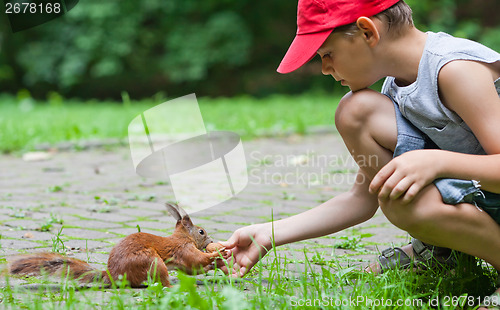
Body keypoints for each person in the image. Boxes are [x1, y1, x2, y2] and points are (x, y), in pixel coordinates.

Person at [220, 0, 500, 303]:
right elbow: (362, 199)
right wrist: (269, 233)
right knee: (356, 112)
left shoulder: (455, 70)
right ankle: (441, 252)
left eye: (327, 54)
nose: (325, 68)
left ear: (367, 31)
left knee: (401, 201)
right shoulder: (396, 87)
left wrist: (436, 161)